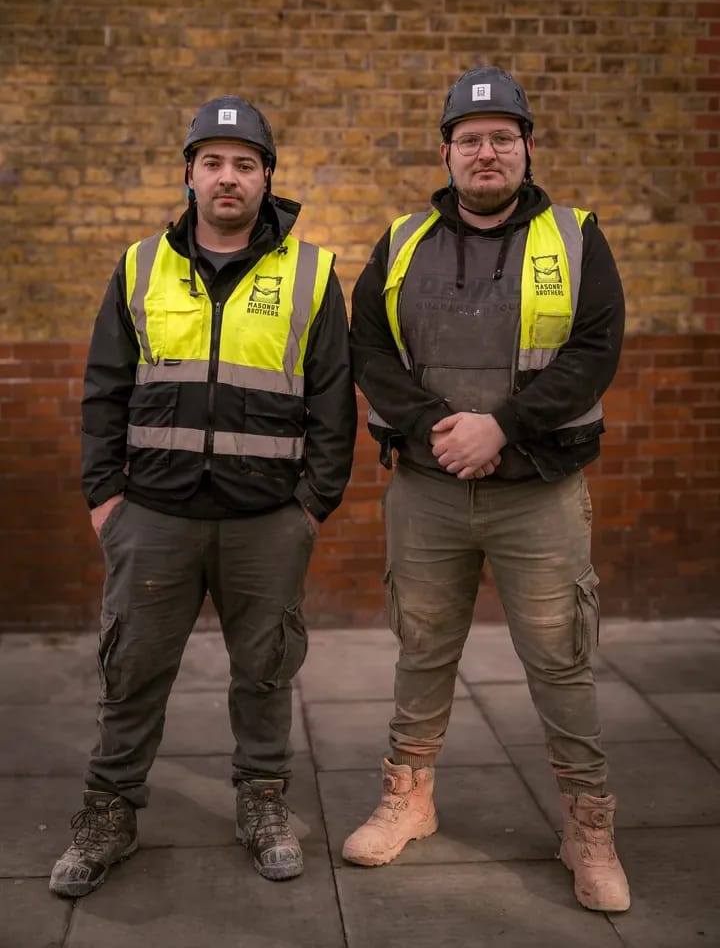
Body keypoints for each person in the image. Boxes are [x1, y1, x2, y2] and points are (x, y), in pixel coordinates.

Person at [49, 95, 357, 897]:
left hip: (266, 521)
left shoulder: (314, 272)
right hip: (151, 517)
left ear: (266, 179)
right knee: (134, 669)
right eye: (212, 162)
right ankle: (108, 811)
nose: (229, 177)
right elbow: (104, 390)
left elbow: (333, 401)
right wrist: (103, 501)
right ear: (188, 174)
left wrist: (311, 507)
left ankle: (262, 803)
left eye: (245, 164)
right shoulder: (141, 265)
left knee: (265, 670)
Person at [342, 66, 630, 913]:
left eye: (503, 137)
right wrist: (444, 427)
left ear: (527, 148)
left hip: (538, 488)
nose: (487, 151)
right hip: (430, 488)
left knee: (560, 661)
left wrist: (502, 427)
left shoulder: (577, 238)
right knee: (422, 649)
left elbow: (593, 351)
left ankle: (588, 827)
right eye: (470, 139)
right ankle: (409, 798)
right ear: (447, 153)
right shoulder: (400, 241)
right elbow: (370, 348)